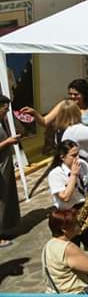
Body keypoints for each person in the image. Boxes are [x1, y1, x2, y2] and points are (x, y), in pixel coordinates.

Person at [42, 208, 88, 294]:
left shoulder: (48, 245)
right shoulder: (68, 248)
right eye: (75, 224)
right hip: (75, 292)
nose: (78, 225)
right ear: (64, 229)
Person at [0, 94, 22, 247]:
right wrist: (8, 141)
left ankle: (5, 227)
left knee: (7, 198)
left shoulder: (2, 122)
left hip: (5, 165)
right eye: (5, 109)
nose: (6, 112)